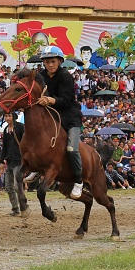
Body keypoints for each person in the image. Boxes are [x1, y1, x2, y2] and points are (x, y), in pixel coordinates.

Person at [34, 46, 85, 198]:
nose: (50, 64)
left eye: (53, 61)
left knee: (71, 149)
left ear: (60, 61)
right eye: (47, 62)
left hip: (71, 118)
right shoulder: (41, 76)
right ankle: (35, 170)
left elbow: (67, 100)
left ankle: (79, 181)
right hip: (53, 116)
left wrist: (50, 100)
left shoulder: (65, 76)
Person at [0, 111, 25, 215]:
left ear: (13, 117)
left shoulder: (21, 127)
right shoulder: (6, 130)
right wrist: (2, 161)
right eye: (6, 116)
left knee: (17, 186)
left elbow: (26, 143)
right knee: (9, 187)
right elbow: (4, 147)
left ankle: (24, 207)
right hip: (9, 161)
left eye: (9, 115)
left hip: (19, 160)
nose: (7, 118)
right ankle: (15, 209)